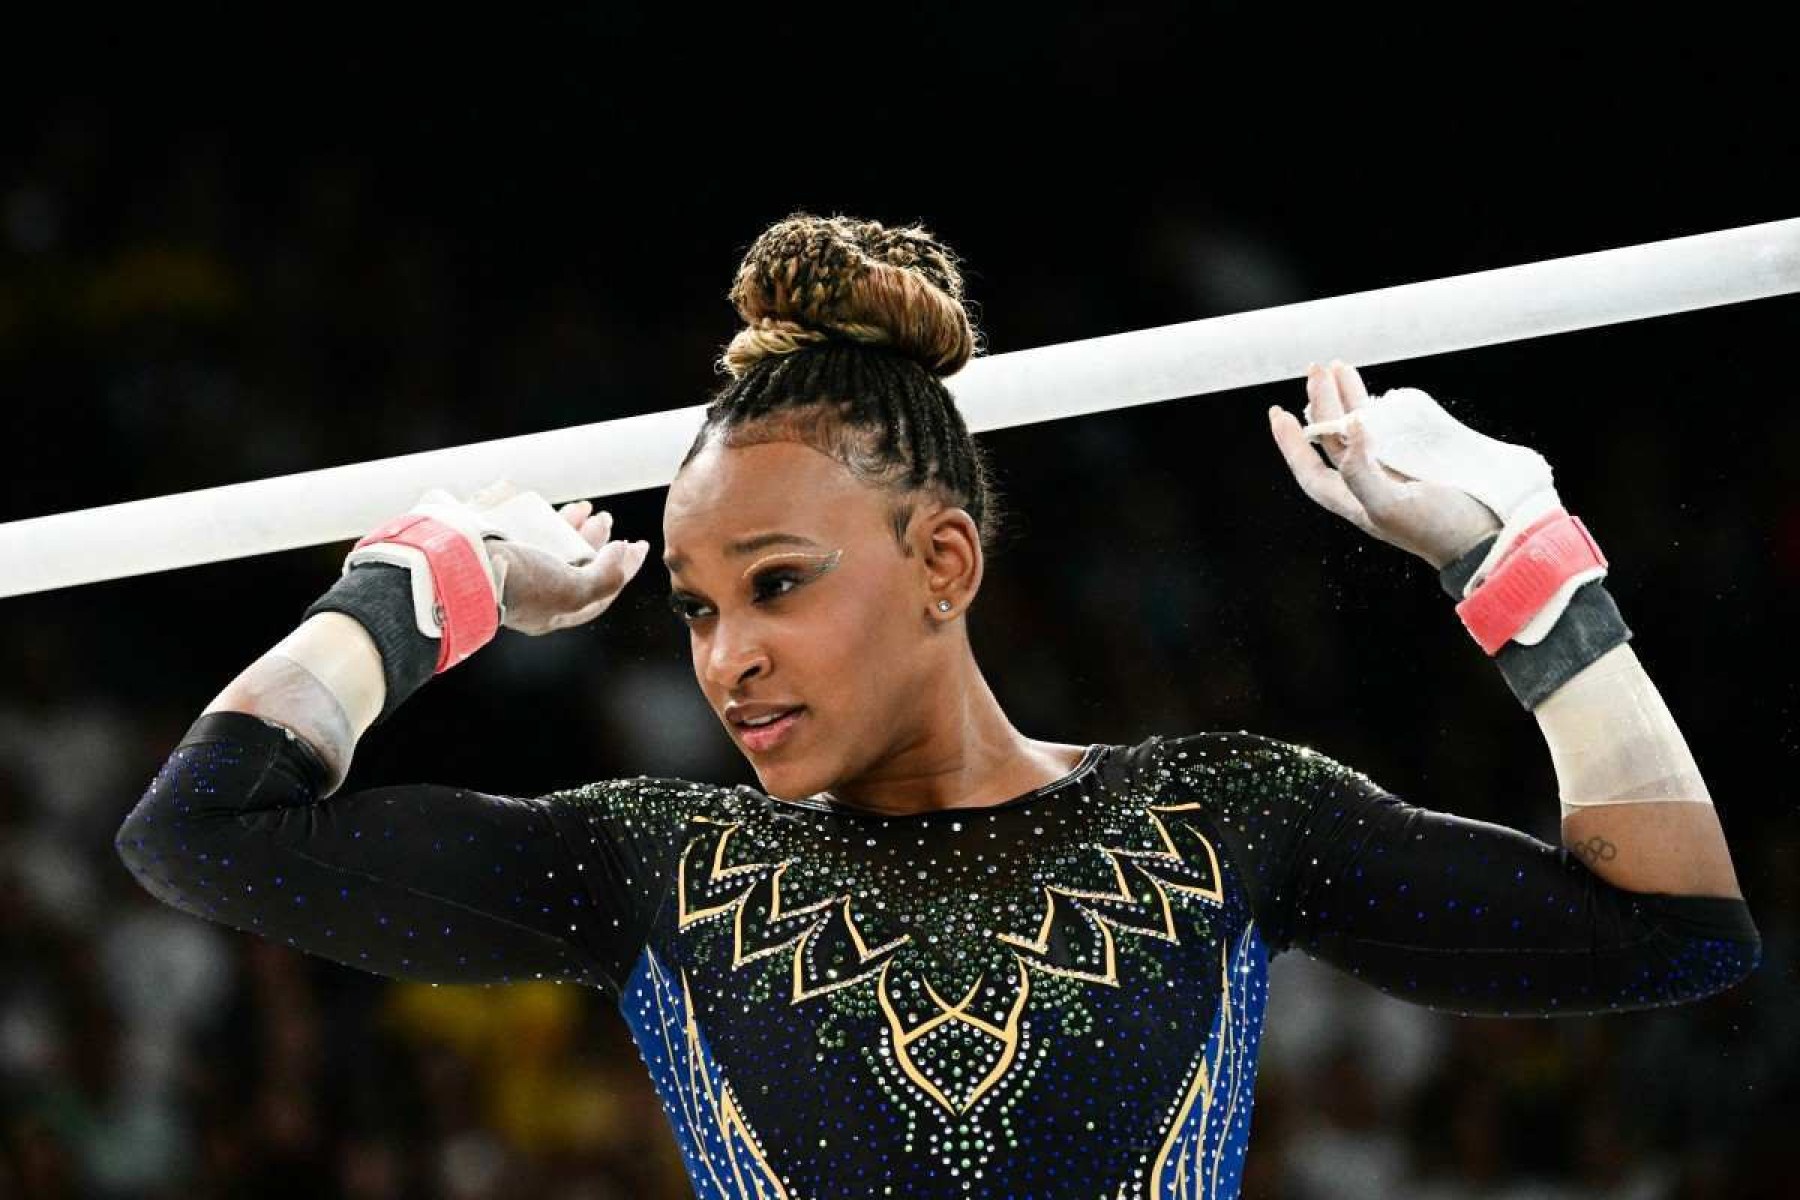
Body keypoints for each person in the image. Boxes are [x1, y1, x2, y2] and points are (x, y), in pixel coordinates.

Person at [115, 213, 1760, 1200]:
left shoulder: (1215, 819)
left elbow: (1674, 934)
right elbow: (204, 834)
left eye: (775, 584)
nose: (725, 656)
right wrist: (419, 587)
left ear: (944, 560)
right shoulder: (662, 869)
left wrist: (1524, 569)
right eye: (693, 608)